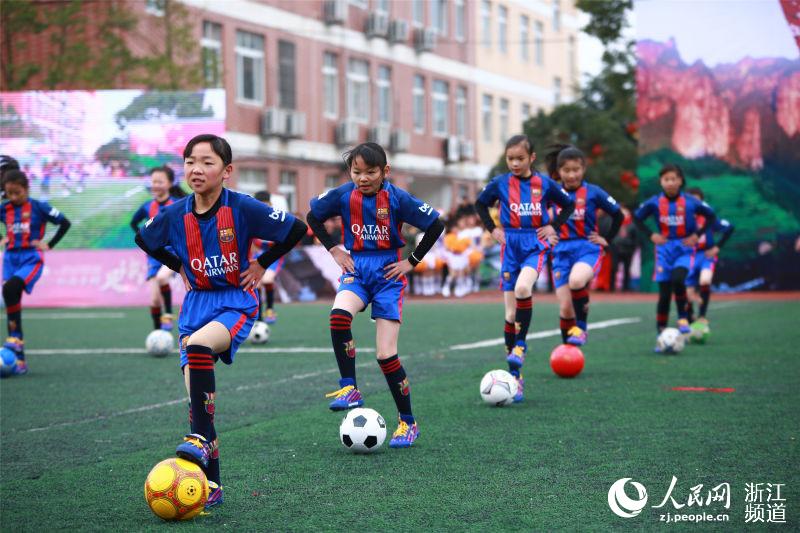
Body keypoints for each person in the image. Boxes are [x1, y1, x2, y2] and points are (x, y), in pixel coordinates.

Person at [135, 134, 307, 508]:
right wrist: (177, 264)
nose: (196, 169)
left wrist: (261, 263)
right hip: (194, 306)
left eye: (207, 162)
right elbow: (144, 239)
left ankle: (198, 442)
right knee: (199, 407)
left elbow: (295, 228)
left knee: (198, 350)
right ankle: (212, 485)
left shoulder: (242, 208)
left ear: (226, 171)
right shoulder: (174, 214)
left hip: (235, 303)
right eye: (190, 161)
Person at [306, 142, 444, 448]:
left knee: (385, 355)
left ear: (385, 171)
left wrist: (411, 262)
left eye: (370, 172)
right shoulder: (343, 195)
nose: (363, 178)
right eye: (357, 172)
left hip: (387, 276)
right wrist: (334, 249)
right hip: (356, 269)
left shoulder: (397, 198)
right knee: (339, 316)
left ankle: (408, 423)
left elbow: (436, 224)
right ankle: (349, 387)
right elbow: (312, 217)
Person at [475, 135, 574, 402]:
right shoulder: (500, 183)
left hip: (534, 243)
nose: (515, 163)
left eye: (520, 158)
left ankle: (520, 345)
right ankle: (515, 377)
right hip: (510, 244)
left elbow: (568, 204)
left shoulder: (544, 183)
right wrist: (493, 229)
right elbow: (480, 203)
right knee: (509, 315)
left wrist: (553, 225)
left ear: (531, 158)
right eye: (510, 159)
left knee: (522, 287)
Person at [545, 145, 624, 346]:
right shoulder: (551, 192)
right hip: (561, 252)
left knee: (577, 281)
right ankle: (569, 349)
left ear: (583, 169)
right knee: (565, 308)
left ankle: (581, 327)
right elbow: (538, 218)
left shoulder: (593, 192)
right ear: (559, 171)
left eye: (576, 170)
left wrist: (607, 238)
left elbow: (618, 214)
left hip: (587, 249)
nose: (571, 175)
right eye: (566, 170)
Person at [633, 164, 716, 351]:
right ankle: (660, 333)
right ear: (661, 182)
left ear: (680, 181)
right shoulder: (654, 202)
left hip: (684, 249)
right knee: (663, 295)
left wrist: (697, 234)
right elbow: (637, 218)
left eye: (673, 179)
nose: (670, 183)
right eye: (666, 180)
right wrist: (650, 235)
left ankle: (682, 318)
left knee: (679, 280)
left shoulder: (691, 202)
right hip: (663, 250)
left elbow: (711, 216)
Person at [1, 169, 71, 374]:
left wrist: (49, 244)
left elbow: (65, 223)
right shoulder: (4, 209)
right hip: (10, 258)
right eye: (9, 193)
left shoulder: (39, 207)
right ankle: (19, 360)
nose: (13, 197)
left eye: (18, 193)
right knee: (12, 301)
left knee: (12, 288)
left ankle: (15, 342)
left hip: (32, 258)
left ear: (26, 189)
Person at [130, 166, 183, 331]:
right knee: (154, 300)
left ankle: (168, 314)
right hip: (154, 255)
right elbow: (133, 223)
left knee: (162, 278)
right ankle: (157, 333)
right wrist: (146, 239)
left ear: (170, 183)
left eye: (160, 181)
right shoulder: (147, 206)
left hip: (173, 252)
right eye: (153, 181)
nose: (156, 185)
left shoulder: (178, 204)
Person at [684, 187, 734, 328]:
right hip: (688, 257)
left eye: (697, 201)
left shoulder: (709, 218)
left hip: (706, 255)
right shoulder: (682, 220)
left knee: (705, 280)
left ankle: (702, 316)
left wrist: (717, 247)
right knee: (686, 292)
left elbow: (730, 227)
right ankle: (689, 316)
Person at [250, 191, 284, 324]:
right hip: (257, 256)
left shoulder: (276, 218)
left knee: (268, 280)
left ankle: (270, 309)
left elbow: (283, 240)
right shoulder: (252, 220)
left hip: (273, 256)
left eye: (265, 204)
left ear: (270, 204)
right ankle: (258, 317)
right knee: (256, 283)